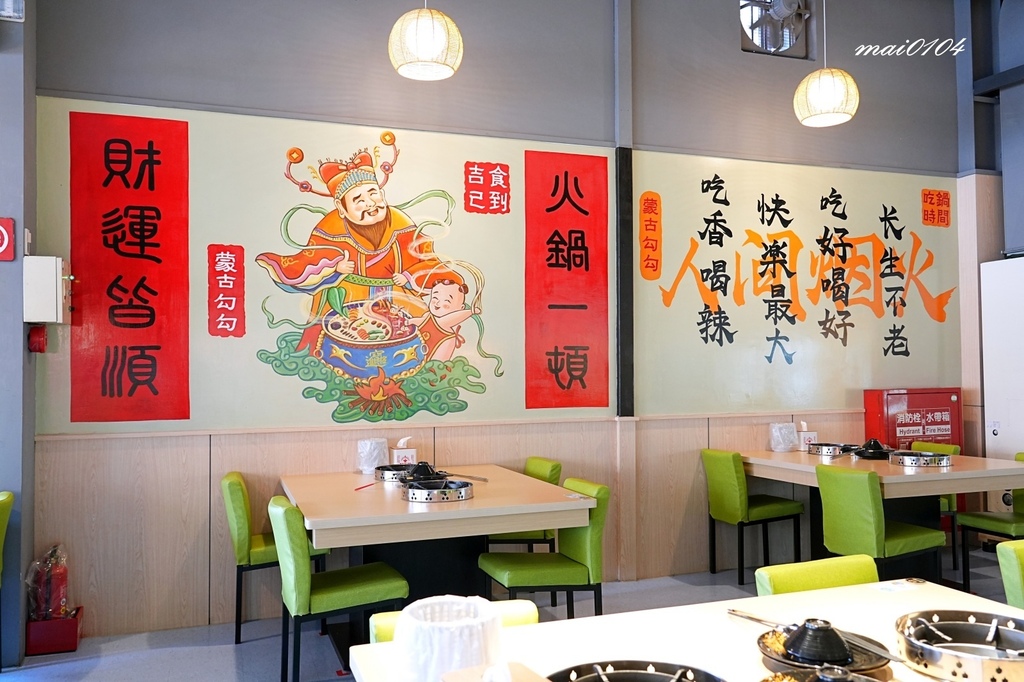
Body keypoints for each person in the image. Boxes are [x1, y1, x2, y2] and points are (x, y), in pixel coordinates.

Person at [257, 149, 442, 353]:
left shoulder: (401, 223)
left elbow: (426, 260)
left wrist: (407, 276)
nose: (370, 203)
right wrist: (335, 269)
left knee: (422, 329)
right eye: (358, 200)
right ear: (341, 207)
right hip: (349, 296)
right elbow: (309, 262)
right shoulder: (330, 228)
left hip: (395, 295)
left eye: (373, 193)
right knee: (335, 337)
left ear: (383, 194)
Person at [411, 274, 479, 362]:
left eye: (446, 303)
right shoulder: (427, 315)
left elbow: (451, 319)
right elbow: (421, 321)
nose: (437, 303)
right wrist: (409, 321)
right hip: (414, 353)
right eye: (435, 298)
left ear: (460, 308)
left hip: (431, 360)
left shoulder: (444, 324)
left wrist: (471, 311)